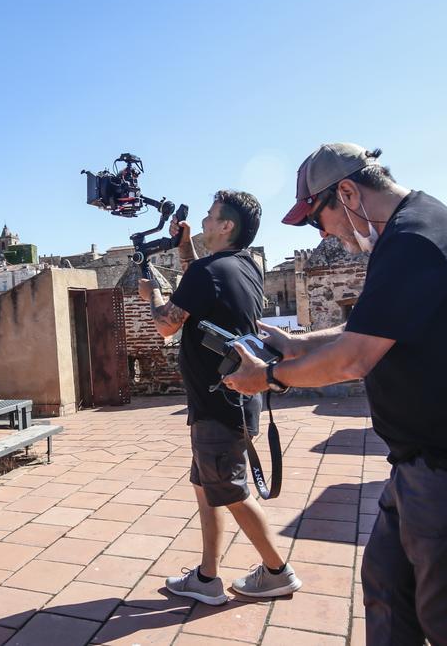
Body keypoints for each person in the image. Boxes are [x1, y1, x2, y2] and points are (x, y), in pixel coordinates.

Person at [224, 143, 447, 644]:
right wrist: (293, 345)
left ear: (349, 192)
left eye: (319, 219)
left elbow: (355, 357)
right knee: (387, 594)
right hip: (426, 468)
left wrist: (269, 379)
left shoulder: (415, 238)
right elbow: (367, 330)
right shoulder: (407, 234)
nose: (325, 232)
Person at [137, 190, 301, 604]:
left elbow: (166, 326)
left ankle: (277, 571)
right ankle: (207, 578)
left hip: (218, 402)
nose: (207, 221)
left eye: (211, 217)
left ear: (227, 226)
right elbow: (202, 285)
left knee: (229, 491)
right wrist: (186, 244)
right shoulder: (246, 266)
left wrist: (153, 295)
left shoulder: (208, 272)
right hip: (233, 399)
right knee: (208, 487)